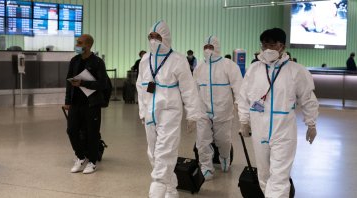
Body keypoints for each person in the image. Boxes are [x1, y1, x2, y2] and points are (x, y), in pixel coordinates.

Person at [238, 28, 319, 198]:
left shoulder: (296, 71)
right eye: (264, 43)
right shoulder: (254, 69)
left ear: (282, 46)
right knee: (264, 175)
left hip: (283, 131)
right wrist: (244, 121)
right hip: (259, 128)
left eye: (272, 43)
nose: (267, 47)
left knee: (280, 176)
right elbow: (243, 97)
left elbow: (308, 98)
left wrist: (311, 123)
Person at [136, 20, 204, 198]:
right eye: (150, 36)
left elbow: (188, 89)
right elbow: (140, 87)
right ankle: (171, 189)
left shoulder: (178, 59)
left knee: (165, 151)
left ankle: (157, 189)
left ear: (165, 37)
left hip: (170, 111)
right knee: (153, 152)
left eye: (157, 36)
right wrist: (142, 111)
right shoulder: (145, 60)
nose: (153, 40)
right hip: (150, 112)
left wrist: (193, 114)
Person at [193, 36, 242, 180]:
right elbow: (193, 89)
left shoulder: (229, 65)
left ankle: (225, 158)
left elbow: (239, 87)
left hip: (223, 111)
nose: (208, 50)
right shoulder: (199, 67)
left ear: (217, 48)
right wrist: (191, 110)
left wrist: (240, 105)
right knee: (202, 141)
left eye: (211, 47)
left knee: (223, 140)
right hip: (203, 111)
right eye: (205, 47)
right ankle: (206, 167)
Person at [63, 34, 110, 174]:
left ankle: (92, 162)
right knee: (71, 130)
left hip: (92, 103)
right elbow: (69, 82)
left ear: (88, 45)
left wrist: (83, 83)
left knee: (92, 133)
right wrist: (67, 101)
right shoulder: (74, 61)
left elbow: (103, 84)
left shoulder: (97, 62)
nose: (77, 45)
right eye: (77, 42)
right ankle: (80, 156)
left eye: (80, 43)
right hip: (76, 103)